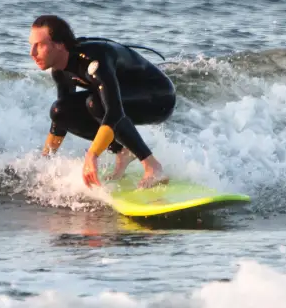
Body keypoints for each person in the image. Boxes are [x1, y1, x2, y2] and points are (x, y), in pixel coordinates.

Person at [28, 14, 176, 189]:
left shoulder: (94, 59)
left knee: (97, 104)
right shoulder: (60, 71)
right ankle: (122, 151)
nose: (32, 53)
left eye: (40, 45)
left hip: (159, 97)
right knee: (60, 110)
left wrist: (92, 155)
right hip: (125, 98)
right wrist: (46, 160)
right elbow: (63, 119)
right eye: (31, 46)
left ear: (60, 44)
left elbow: (113, 112)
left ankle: (153, 166)